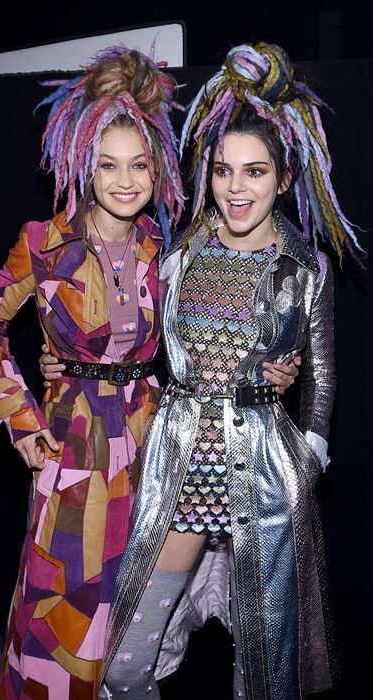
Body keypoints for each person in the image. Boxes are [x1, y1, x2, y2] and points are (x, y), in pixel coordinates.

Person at [88, 42, 361, 700]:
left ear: (284, 179)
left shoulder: (306, 270)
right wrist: (65, 361)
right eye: (224, 171)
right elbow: (130, 334)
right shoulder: (177, 252)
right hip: (184, 467)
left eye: (256, 172)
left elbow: (322, 376)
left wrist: (309, 456)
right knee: (124, 666)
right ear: (207, 174)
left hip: (266, 475)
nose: (237, 188)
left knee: (264, 673)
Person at [0, 46, 186, 699]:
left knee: (133, 615)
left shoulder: (157, 243)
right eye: (107, 165)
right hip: (71, 446)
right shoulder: (44, 242)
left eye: (138, 165)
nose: (125, 181)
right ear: (83, 168)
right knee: (61, 612)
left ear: (158, 169)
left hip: (146, 445)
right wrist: (25, 427)